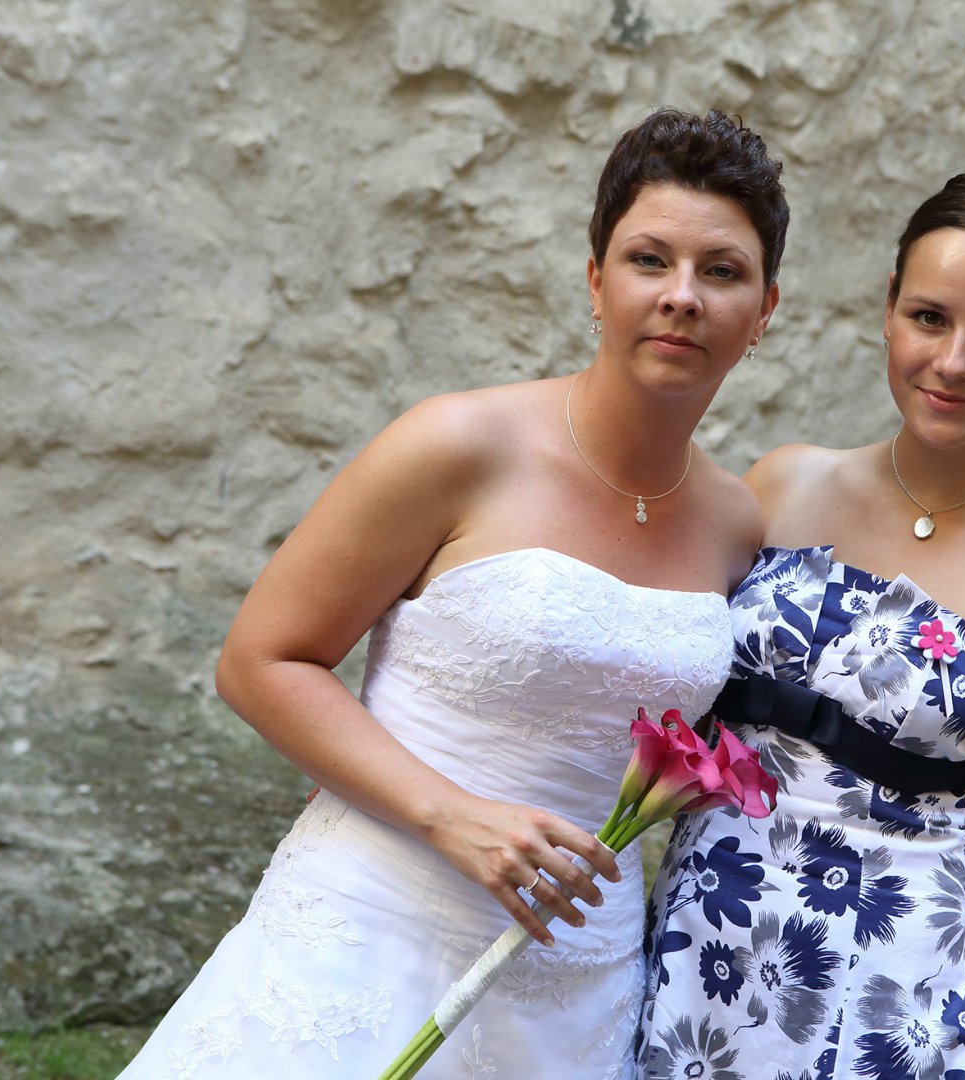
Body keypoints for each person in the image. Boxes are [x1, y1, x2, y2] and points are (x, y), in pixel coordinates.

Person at [117, 107, 786, 1080]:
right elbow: (261, 661)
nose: (682, 296)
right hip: (369, 928)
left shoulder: (734, 523)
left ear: (764, 311)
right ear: (595, 280)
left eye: (721, 271)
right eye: (650, 260)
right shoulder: (456, 446)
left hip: (580, 979)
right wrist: (449, 815)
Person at [636, 172, 965, 1080]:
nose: (955, 361)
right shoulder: (782, 484)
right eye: (930, 317)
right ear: (889, 309)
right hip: (699, 960)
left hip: (888, 1005)